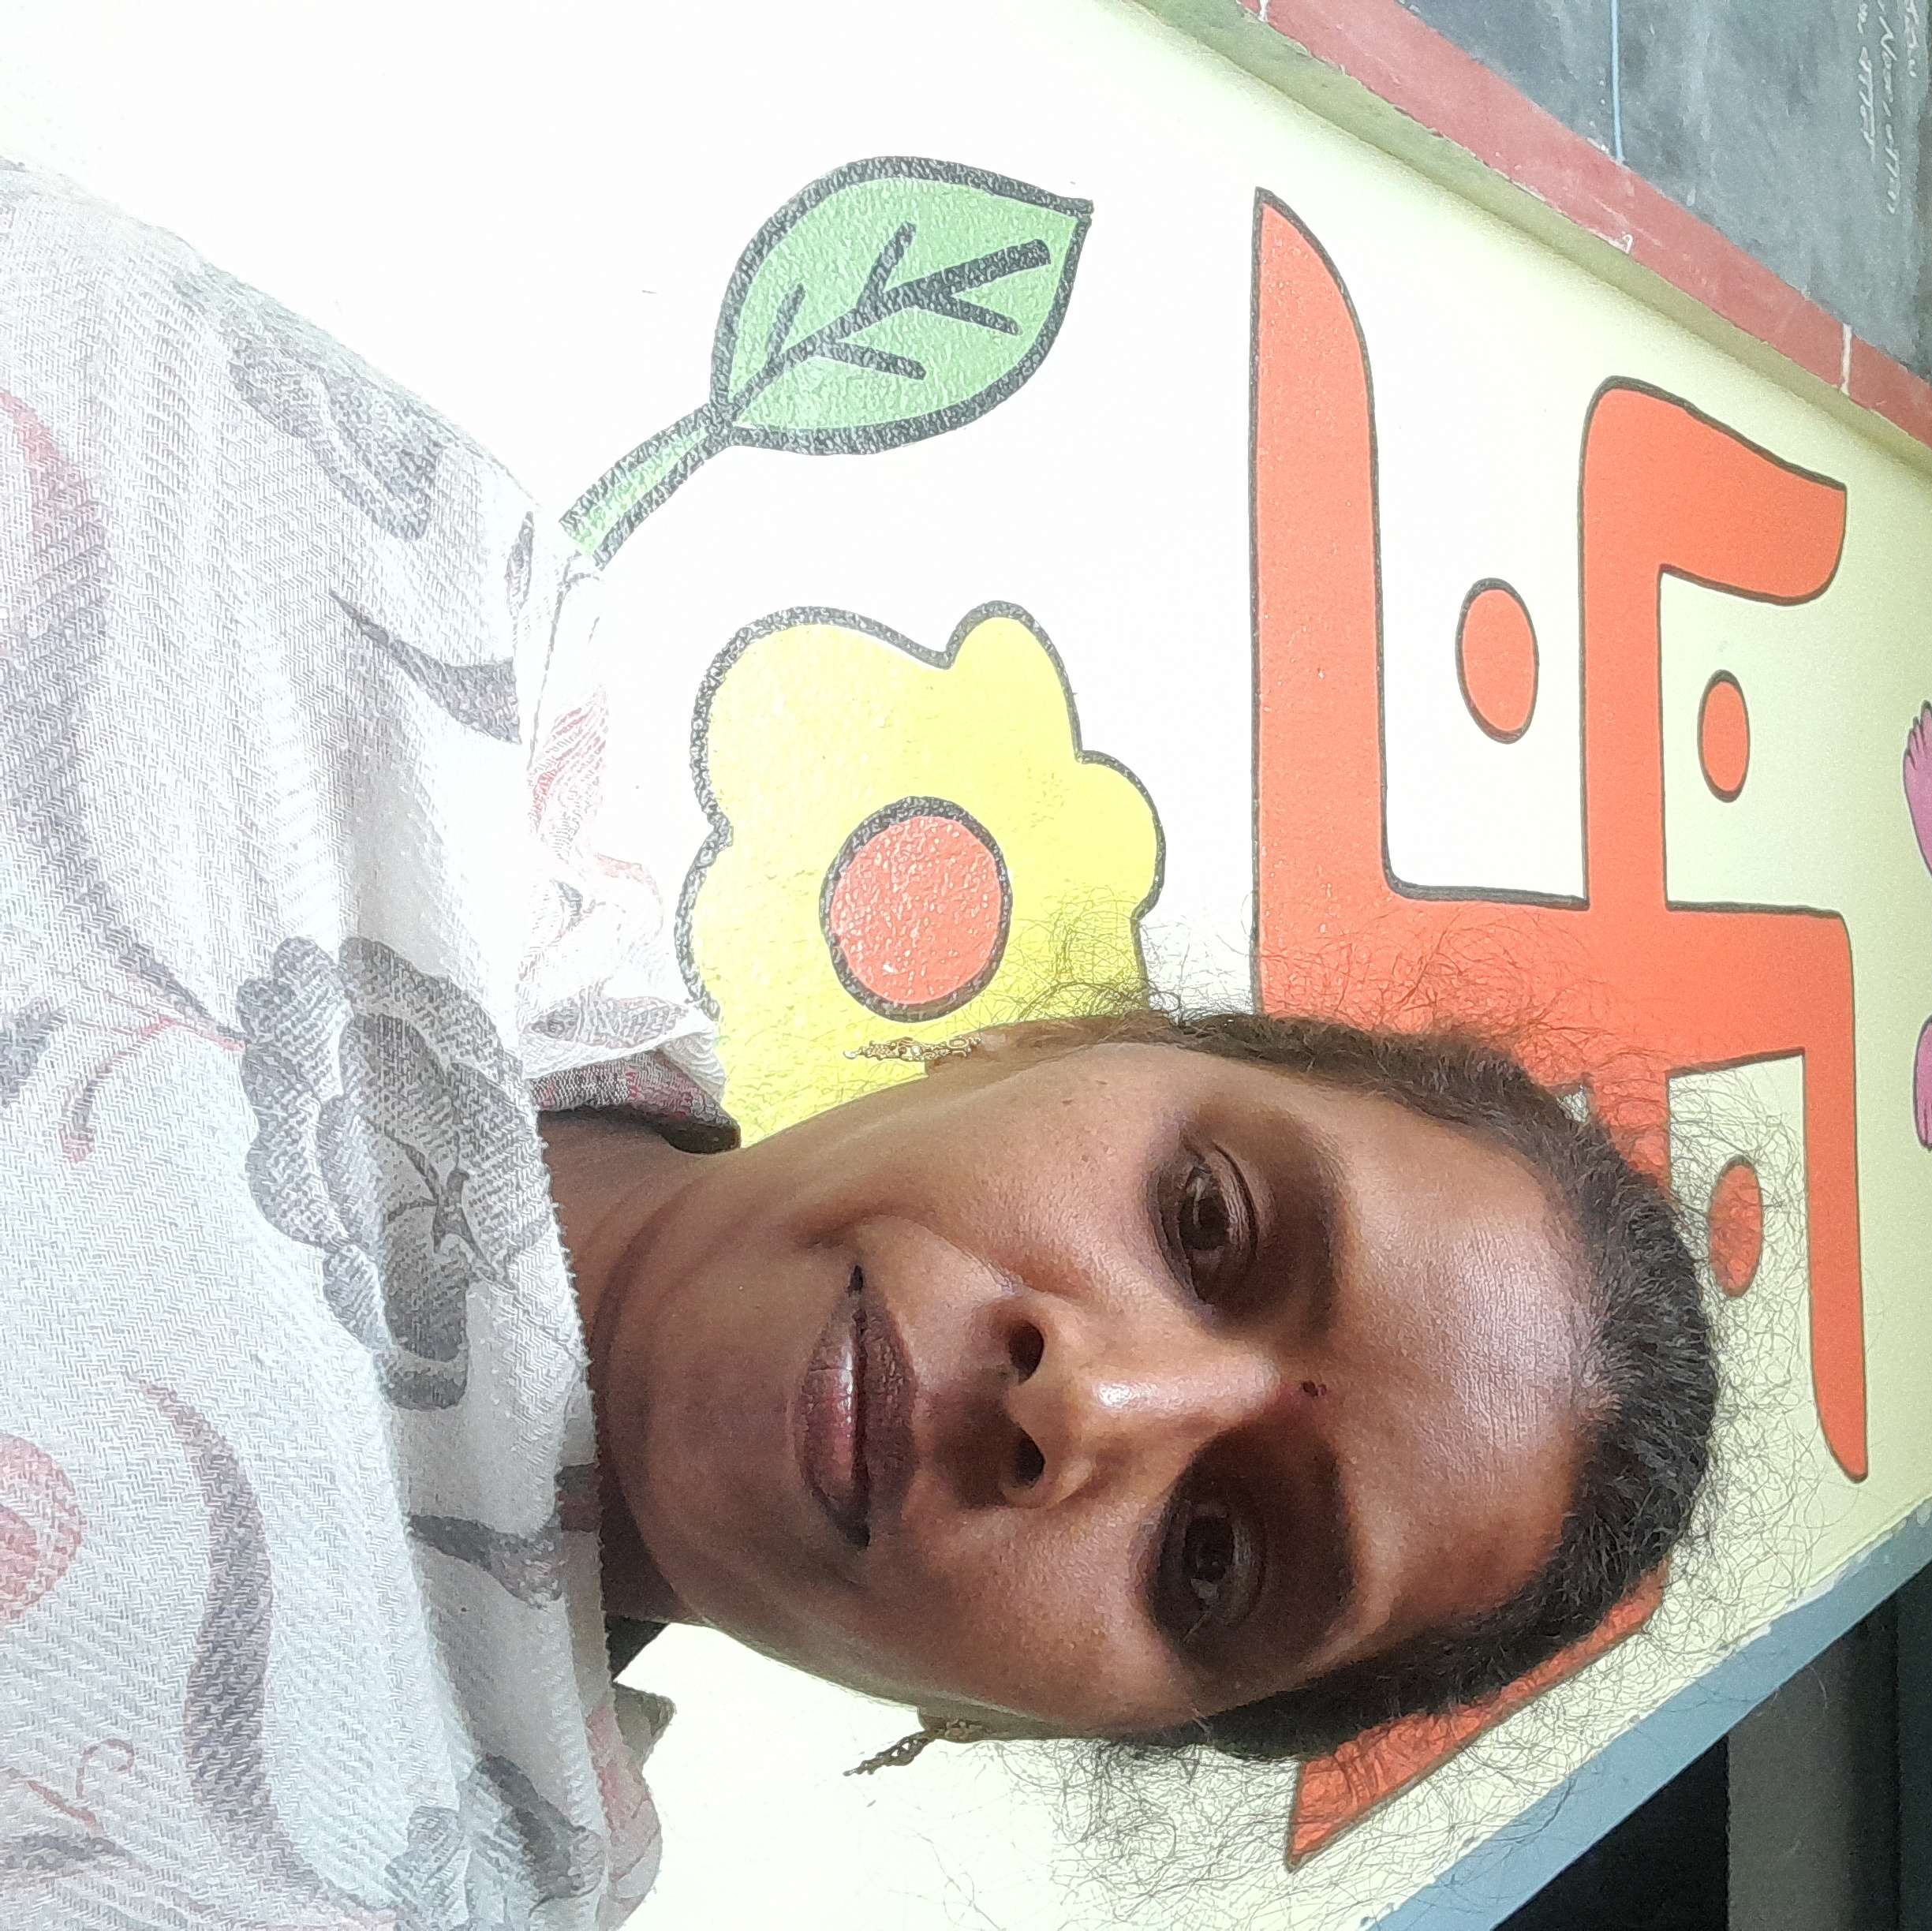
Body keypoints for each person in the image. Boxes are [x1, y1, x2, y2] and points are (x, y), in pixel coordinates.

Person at [0, 166, 1715, 1925]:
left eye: (1213, 1559)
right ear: (1051, 1039)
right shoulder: (398, 610)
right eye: (1205, 1220)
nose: (1087, 1402)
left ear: (1043, 1726)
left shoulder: (414, 1887)